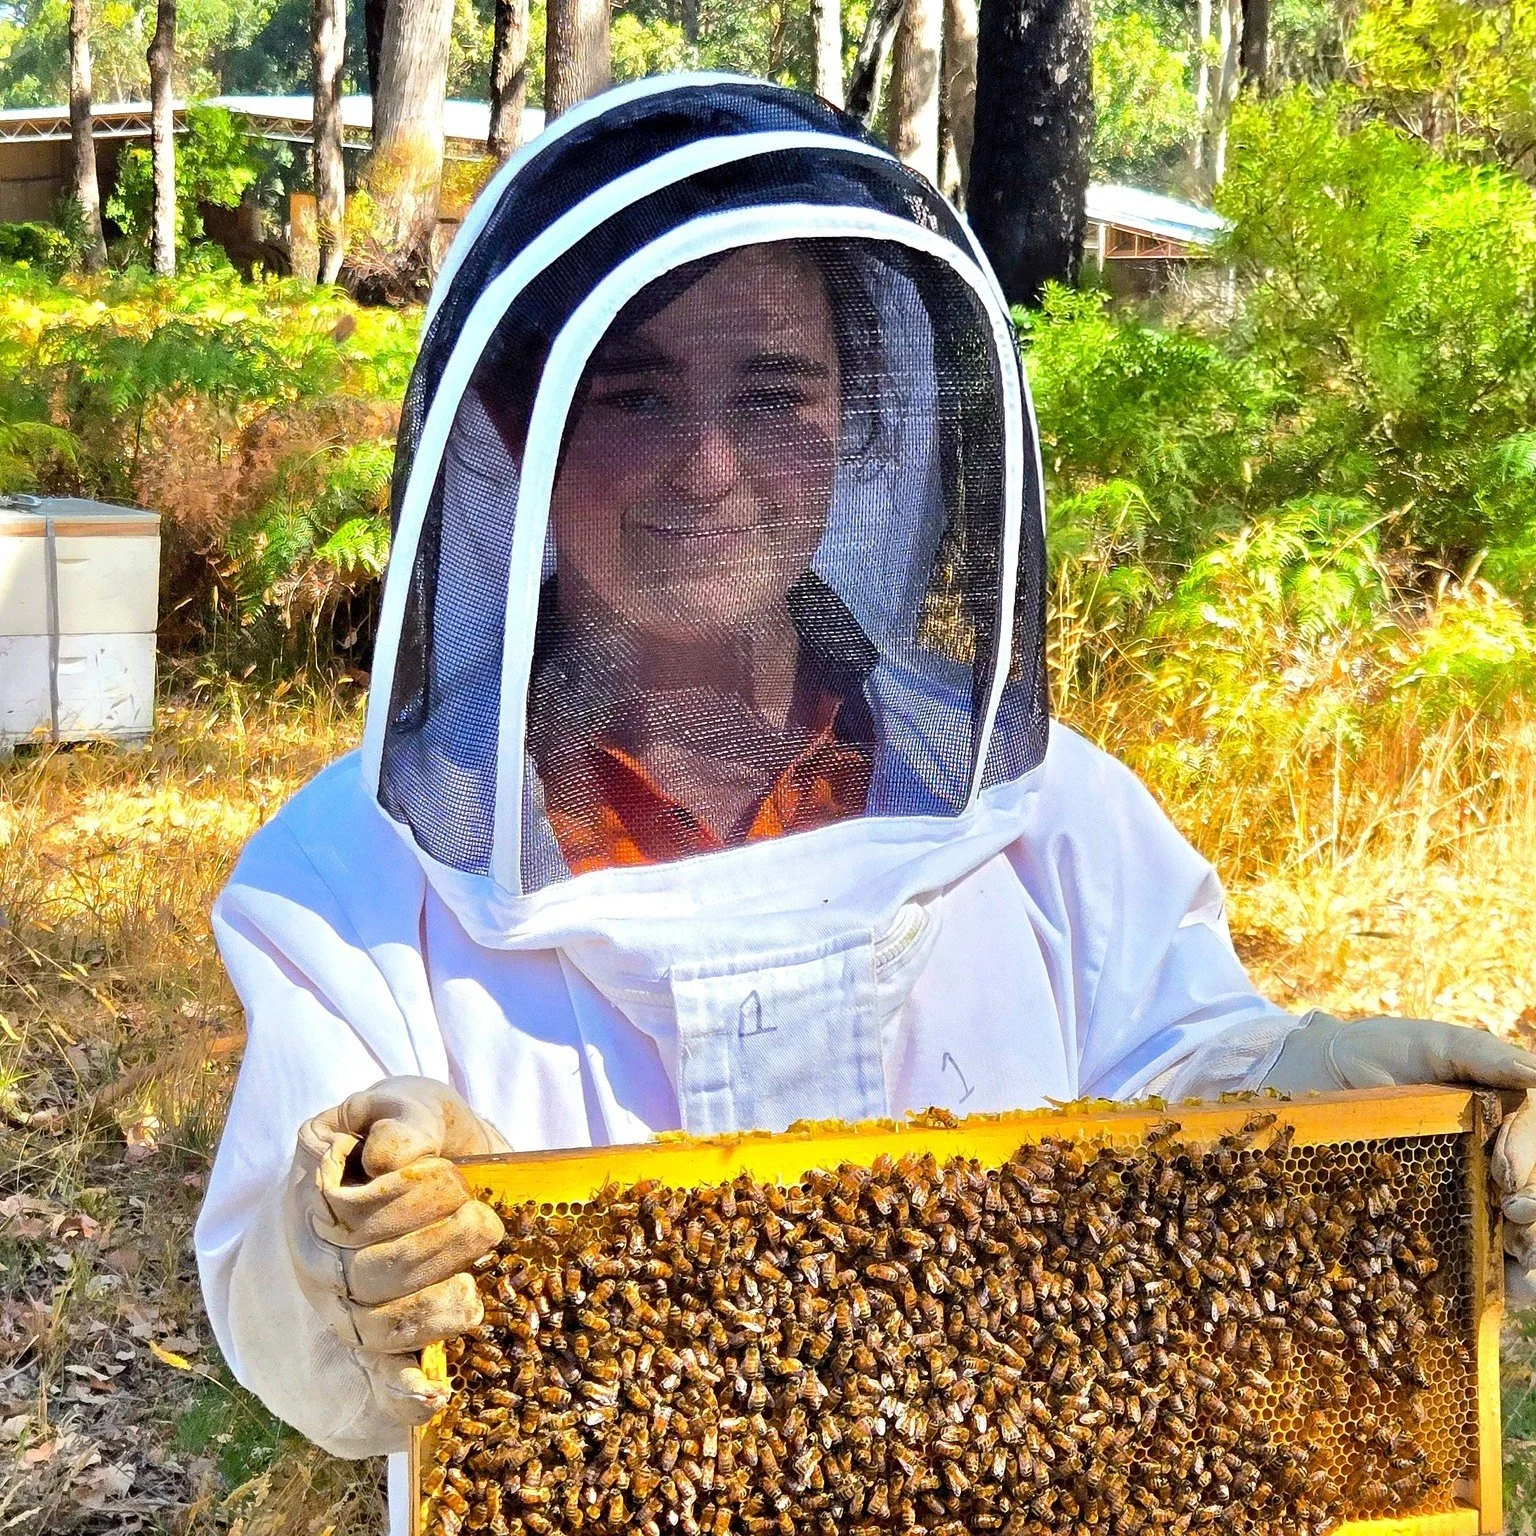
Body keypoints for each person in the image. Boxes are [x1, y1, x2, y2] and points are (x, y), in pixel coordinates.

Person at [194, 76, 1536, 1536]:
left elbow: (1168, 1077)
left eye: (772, 395)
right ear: (517, 426)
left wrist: (1331, 1107)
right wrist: (342, 1253)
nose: (707, 468)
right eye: (633, 394)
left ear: (860, 420)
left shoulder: (1047, 813)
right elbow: (288, 1343)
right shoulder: (350, 875)